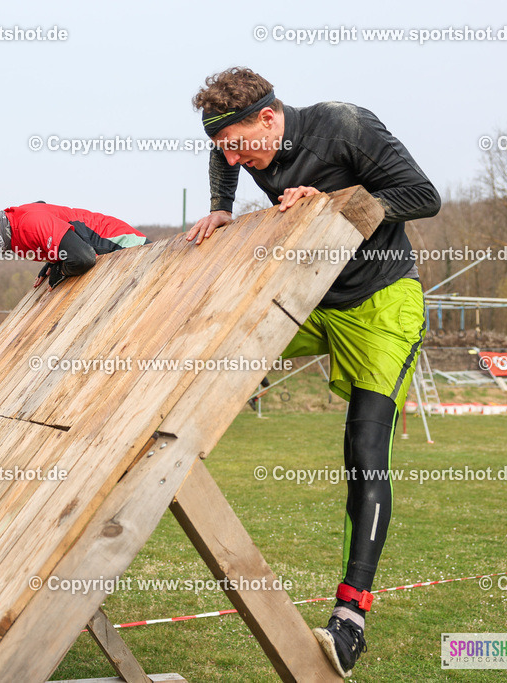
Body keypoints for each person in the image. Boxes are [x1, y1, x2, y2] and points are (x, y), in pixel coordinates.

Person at [187, 67, 440, 677]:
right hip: (312, 298)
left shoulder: (342, 126)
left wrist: (334, 204)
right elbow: (221, 156)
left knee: (363, 448)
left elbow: (424, 196)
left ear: (270, 118)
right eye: (226, 149)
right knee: (218, 342)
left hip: (381, 302)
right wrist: (221, 208)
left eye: (243, 145)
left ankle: (351, 617)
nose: (237, 158)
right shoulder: (236, 143)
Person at [0, 201, 148, 289]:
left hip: (127, 247)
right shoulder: (10, 230)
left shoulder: (28, 223)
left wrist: (62, 269)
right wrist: (56, 256)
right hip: (113, 256)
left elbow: (83, 258)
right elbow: (42, 205)